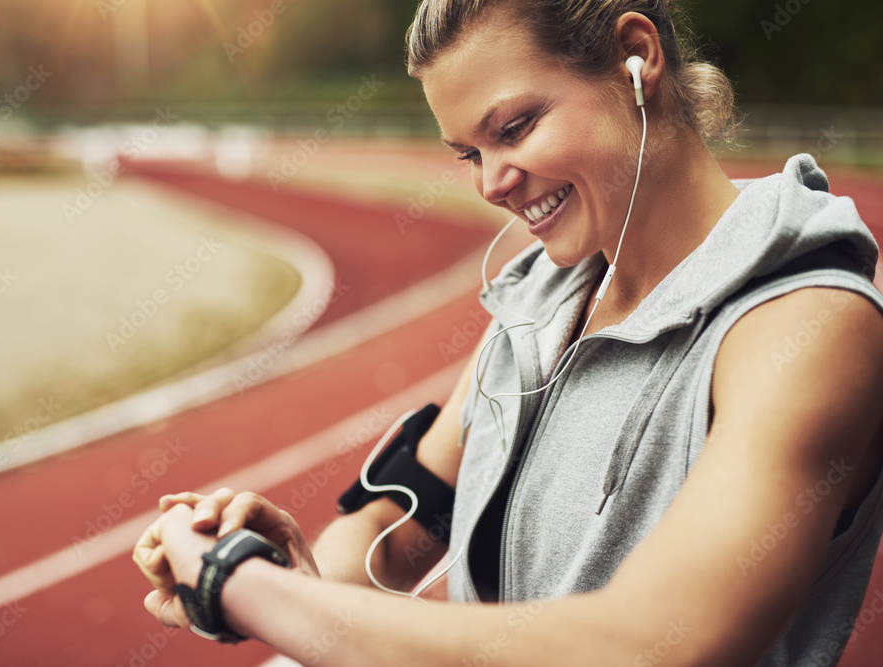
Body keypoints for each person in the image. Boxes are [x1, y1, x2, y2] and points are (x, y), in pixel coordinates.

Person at [133, 1, 883, 664]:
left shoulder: (809, 322)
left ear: (638, 56)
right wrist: (291, 569)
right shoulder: (538, 299)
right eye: (469, 153)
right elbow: (391, 527)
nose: (491, 182)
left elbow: (660, 640)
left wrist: (243, 588)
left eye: (514, 128)